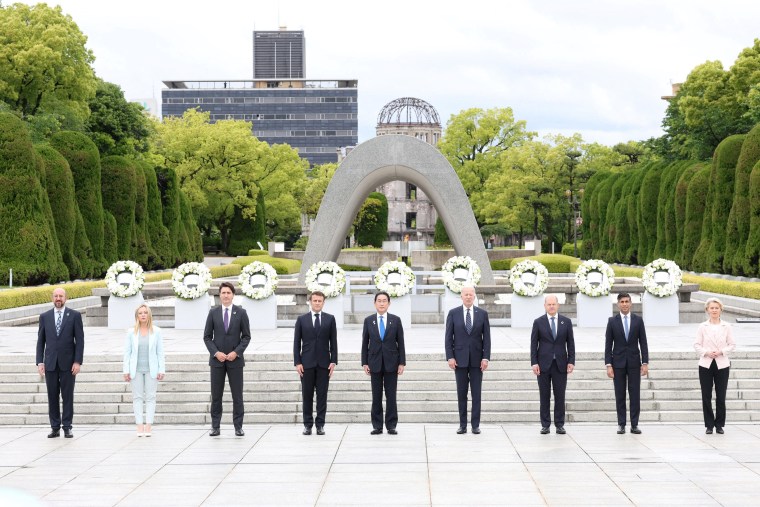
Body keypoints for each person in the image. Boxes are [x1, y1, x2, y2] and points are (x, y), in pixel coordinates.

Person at [204, 281, 251, 437]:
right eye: (223, 293)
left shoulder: (241, 313)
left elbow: (246, 337)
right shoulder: (213, 313)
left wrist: (236, 352)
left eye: (228, 293)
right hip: (217, 361)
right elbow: (207, 337)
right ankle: (215, 426)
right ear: (219, 295)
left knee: (237, 395)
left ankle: (238, 426)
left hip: (235, 361)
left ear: (233, 295)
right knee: (216, 396)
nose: (225, 295)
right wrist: (215, 353)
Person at [36, 288, 84, 439]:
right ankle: (55, 427)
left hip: (68, 364)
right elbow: (40, 341)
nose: (58, 298)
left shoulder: (75, 316)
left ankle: (67, 427)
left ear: (66, 298)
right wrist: (39, 361)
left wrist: (77, 361)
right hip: (50, 363)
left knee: (67, 396)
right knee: (52, 396)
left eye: (61, 296)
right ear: (52, 298)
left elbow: (80, 341)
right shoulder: (45, 317)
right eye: (56, 296)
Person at [445, 285, 491, 434]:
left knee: (476, 394)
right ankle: (462, 425)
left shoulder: (482, 314)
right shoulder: (453, 313)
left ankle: (475, 425)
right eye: (466, 294)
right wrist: (450, 357)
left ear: (474, 296)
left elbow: (487, 339)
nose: (468, 297)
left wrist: (486, 358)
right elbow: (448, 338)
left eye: (471, 294)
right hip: (459, 360)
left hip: (478, 361)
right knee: (462, 394)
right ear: (461, 296)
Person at [294, 291, 338, 435]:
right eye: (315, 301)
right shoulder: (301, 320)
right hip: (306, 364)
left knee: (322, 396)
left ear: (323, 302)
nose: (317, 303)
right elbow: (296, 343)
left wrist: (333, 361)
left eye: (320, 301)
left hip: (324, 365)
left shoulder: (330, 319)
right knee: (307, 396)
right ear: (310, 302)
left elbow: (334, 343)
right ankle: (307, 425)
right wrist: (297, 362)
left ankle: (320, 425)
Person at [361, 291, 405, 435]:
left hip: (392, 363)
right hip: (374, 363)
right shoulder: (368, 321)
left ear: (389, 303)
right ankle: (377, 425)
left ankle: (391, 425)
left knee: (391, 396)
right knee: (376, 396)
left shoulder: (396, 320)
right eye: (379, 301)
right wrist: (364, 363)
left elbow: (401, 343)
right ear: (375, 303)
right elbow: (364, 343)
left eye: (384, 300)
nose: (381, 303)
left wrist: (402, 362)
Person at [530, 295, 575, 434]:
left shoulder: (566, 322)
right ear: (544, 306)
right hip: (543, 365)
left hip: (560, 364)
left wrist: (571, 361)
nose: (551, 306)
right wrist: (534, 362)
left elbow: (571, 344)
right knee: (544, 396)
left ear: (558, 305)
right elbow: (533, 344)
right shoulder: (538, 322)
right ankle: (545, 424)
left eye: (553, 304)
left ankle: (559, 424)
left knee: (560, 396)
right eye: (548, 304)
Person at [605, 292, 649, 434]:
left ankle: (634, 424)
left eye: (627, 301)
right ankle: (621, 424)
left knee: (635, 394)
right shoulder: (612, 321)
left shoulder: (638, 320)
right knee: (620, 394)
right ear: (618, 304)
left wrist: (645, 362)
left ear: (631, 303)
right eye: (622, 302)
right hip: (617, 364)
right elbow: (608, 345)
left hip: (634, 363)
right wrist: (608, 365)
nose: (624, 304)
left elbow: (643, 343)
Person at [694, 298, 735, 434]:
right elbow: (697, 345)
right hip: (705, 364)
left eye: (716, 308)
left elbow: (732, 345)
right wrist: (706, 352)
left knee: (721, 396)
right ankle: (709, 425)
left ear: (721, 310)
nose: (714, 310)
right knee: (706, 395)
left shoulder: (727, 326)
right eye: (711, 308)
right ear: (707, 310)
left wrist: (721, 351)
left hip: (722, 363)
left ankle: (719, 425)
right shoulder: (702, 326)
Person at [123, 304, 166, 437]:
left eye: (145, 313)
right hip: (135, 370)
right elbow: (127, 353)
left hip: (151, 370)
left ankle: (148, 426)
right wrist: (126, 370)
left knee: (151, 397)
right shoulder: (131, 332)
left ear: (149, 315)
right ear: (137, 316)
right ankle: (139, 426)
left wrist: (161, 369)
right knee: (137, 397)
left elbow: (160, 352)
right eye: (140, 313)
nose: (143, 315)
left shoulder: (156, 331)